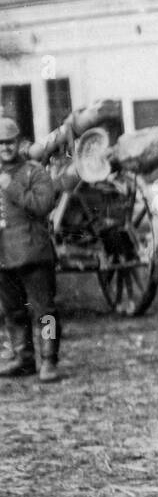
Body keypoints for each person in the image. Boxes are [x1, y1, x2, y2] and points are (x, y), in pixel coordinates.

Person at [0, 117, 60, 382]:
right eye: (0, 143)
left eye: (9, 142)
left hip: (33, 254)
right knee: (13, 312)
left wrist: (10, 187)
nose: (5, 147)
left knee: (45, 312)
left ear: (19, 142)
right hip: (4, 256)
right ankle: (22, 358)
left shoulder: (34, 172)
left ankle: (49, 360)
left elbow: (43, 205)